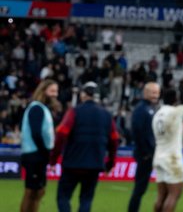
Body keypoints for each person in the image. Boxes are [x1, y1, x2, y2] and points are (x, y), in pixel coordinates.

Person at [51, 81, 119, 212]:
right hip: (94, 164)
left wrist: (53, 159)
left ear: (83, 95)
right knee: (86, 200)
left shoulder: (74, 112)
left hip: (72, 163)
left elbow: (61, 134)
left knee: (63, 197)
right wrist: (110, 164)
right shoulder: (106, 115)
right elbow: (114, 141)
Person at [150, 89, 183, 212]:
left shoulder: (158, 114)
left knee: (161, 196)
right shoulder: (176, 111)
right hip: (172, 158)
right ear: (176, 100)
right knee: (174, 195)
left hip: (158, 157)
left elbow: (175, 132)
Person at [20, 79, 58, 212]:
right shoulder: (36, 108)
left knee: (38, 191)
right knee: (31, 191)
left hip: (37, 154)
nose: (55, 94)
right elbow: (36, 132)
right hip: (35, 155)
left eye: (56, 91)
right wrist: (45, 152)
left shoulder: (41, 108)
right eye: (52, 91)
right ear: (44, 91)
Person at [126, 82, 160, 212]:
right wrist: (145, 152)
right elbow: (137, 132)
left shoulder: (151, 109)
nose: (155, 95)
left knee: (142, 189)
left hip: (152, 153)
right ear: (145, 93)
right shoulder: (141, 109)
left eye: (157, 92)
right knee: (139, 189)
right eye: (153, 92)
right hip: (146, 155)